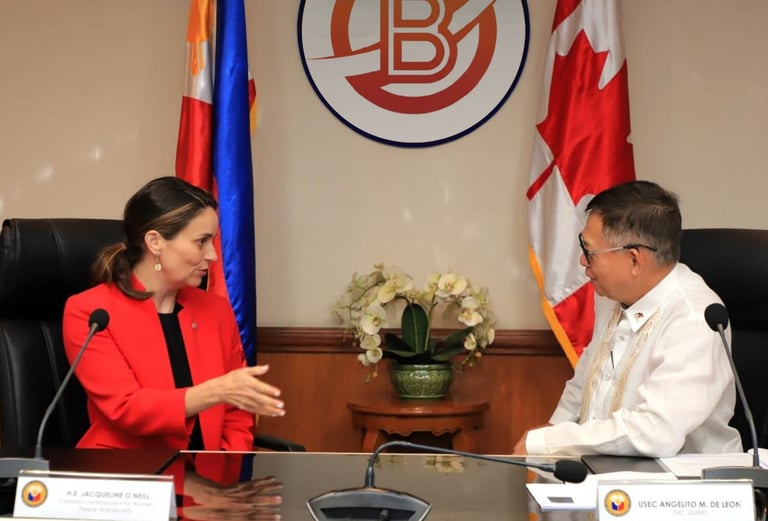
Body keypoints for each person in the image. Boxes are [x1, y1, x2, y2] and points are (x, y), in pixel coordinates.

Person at [515, 180, 742, 457]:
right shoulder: (611, 295)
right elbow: (586, 378)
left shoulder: (693, 317)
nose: (582, 262)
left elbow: (655, 431)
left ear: (634, 260)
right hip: (609, 471)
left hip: (686, 481)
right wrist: (551, 433)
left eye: (590, 252)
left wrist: (551, 441)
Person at [62, 176, 285, 450]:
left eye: (213, 241)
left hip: (207, 474)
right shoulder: (90, 312)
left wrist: (224, 463)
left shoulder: (216, 310)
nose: (213, 255)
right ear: (155, 242)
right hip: (126, 473)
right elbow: (126, 408)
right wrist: (216, 391)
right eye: (201, 242)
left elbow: (238, 414)